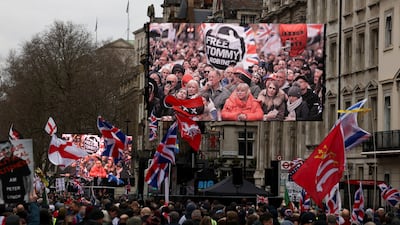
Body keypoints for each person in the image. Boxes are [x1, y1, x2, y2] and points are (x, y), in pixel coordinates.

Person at [0, 140, 33, 205]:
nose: (7, 151)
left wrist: (27, 195)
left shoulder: (21, 162)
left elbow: (28, 179)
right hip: (6, 201)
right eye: (3, 150)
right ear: (1, 151)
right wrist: (1, 198)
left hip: (21, 199)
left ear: (12, 147)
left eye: (7, 148)